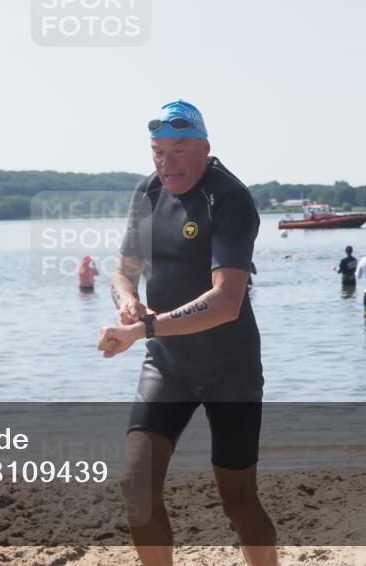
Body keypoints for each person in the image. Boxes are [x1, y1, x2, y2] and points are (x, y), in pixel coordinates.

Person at [97, 99, 277, 566]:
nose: (165, 161)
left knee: (238, 502)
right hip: (167, 364)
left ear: (204, 147)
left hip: (229, 367)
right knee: (135, 485)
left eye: (178, 150)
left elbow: (226, 301)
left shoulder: (228, 197)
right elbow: (122, 271)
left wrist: (145, 328)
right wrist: (127, 303)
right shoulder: (148, 192)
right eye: (157, 151)